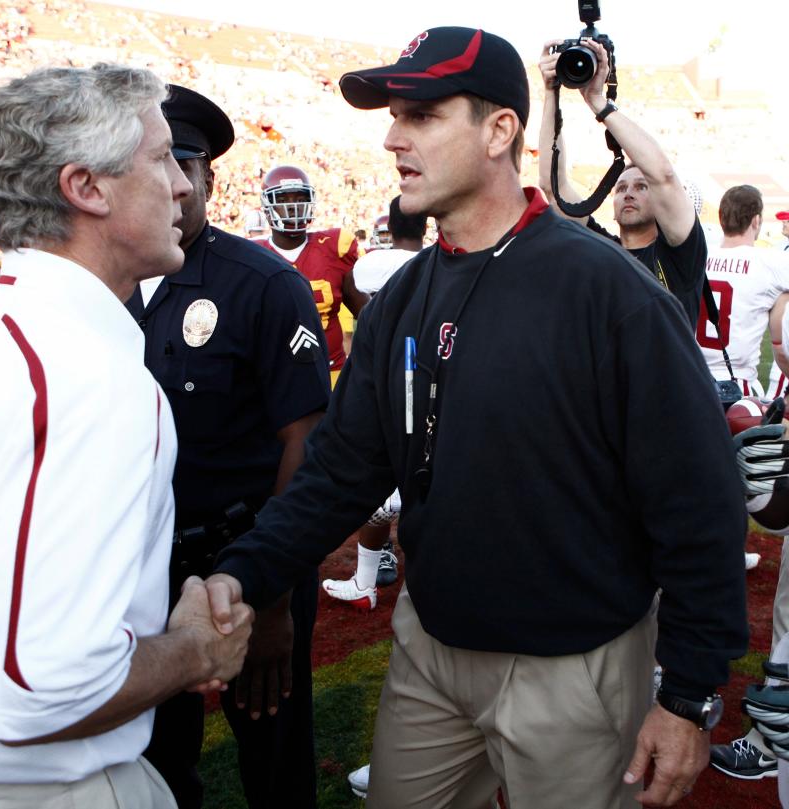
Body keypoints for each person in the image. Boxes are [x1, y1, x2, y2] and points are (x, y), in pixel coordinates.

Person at [206, 26, 749, 809]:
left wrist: (691, 689)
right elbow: (338, 473)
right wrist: (241, 573)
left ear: (500, 132)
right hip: (428, 648)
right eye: (395, 116)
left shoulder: (610, 294)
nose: (393, 138)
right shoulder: (399, 299)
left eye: (422, 115)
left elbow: (697, 498)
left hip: (574, 664)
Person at [0, 64, 253, 809]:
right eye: (160, 158)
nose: (183, 184)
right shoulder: (85, 377)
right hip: (43, 788)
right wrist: (195, 652)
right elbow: (42, 691)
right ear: (86, 187)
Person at [128, 84, 329, 809]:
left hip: (246, 562)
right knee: (155, 758)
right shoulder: (110, 283)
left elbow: (306, 441)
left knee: (272, 756)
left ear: (209, 177)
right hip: (145, 566)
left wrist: (270, 595)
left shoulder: (266, 286)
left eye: (187, 164)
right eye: (154, 163)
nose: (173, 184)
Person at [538, 39, 707, 331]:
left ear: (661, 205)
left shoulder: (680, 253)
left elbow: (663, 175)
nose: (628, 192)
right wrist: (551, 91)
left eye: (641, 187)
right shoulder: (604, 249)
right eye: (621, 188)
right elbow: (553, 187)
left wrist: (598, 102)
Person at [322, 195, 428, 612]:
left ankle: (368, 576)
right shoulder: (441, 262)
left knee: (376, 481)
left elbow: (363, 321)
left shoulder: (370, 267)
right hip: (431, 381)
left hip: (385, 381)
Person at [254, 164, 368, 387]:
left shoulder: (335, 246)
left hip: (332, 371)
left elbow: (367, 314)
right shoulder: (254, 254)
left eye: (299, 198)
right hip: (276, 377)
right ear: (267, 205)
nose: (293, 206)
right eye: (284, 199)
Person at [696, 185, 789, 397]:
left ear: (721, 219)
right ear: (756, 221)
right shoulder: (770, 262)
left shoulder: (699, 257)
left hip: (691, 377)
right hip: (737, 385)